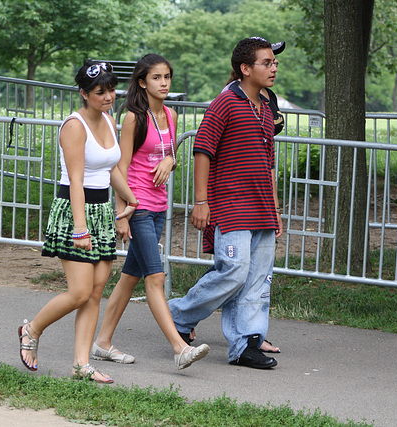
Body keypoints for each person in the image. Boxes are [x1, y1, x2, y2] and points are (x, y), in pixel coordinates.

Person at [18, 60, 139, 383]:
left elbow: (111, 167)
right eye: (100, 92)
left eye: (112, 89)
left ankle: (81, 365)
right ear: (84, 94)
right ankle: (31, 330)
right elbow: (75, 181)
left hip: (101, 212)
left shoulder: (109, 120)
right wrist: (79, 227)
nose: (109, 96)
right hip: (76, 211)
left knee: (96, 291)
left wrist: (131, 198)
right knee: (80, 292)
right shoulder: (74, 126)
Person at [167, 37, 284, 369]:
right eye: (267, 62)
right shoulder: (225, 103)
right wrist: (201, 201)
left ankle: (245, 344)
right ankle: (177, 314)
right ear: (246, 69)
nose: (274, 67)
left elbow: (268, 164)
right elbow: (202, 149)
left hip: (262, 209)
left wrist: (275, 210)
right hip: (232, 208)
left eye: (274, 63)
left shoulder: (264, 108)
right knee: (234, 272)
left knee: (257, 280)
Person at [91, 54, 210, 370]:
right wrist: (122, 212)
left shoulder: (170, 115)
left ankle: (102, 343)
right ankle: (179, 347)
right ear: (142, 82)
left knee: (130, 277)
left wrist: (172, 161)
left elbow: (169, 154)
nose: (164, 83)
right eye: (157, 77)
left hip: (159, 207)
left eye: (167, 77)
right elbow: (121, 165)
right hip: (138, 206)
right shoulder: (133, 116)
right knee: (155, 278)